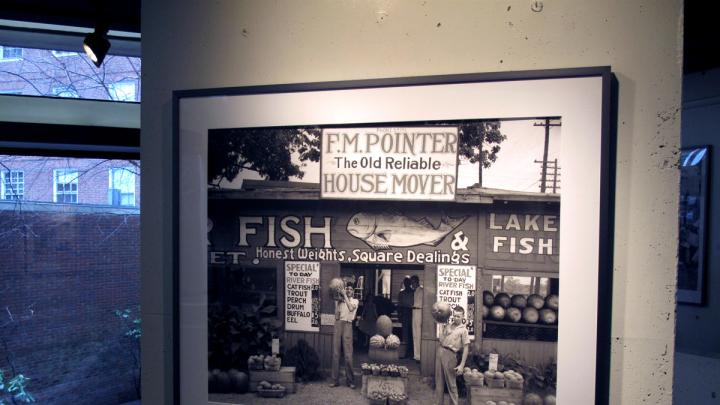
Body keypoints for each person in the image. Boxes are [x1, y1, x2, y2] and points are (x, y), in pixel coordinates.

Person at [435, 306, 469, 405]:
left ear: (463, 316)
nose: (456, 318)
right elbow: (441, 340)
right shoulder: (448, 326)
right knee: (439, 382)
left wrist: (462, 365)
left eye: (458, 316)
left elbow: (466, 348)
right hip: (440, 351)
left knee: (451, 384)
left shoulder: (463, 330)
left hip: (451, 355)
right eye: (454, 316)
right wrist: (441, 326)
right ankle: (438, 403)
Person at [330, 283, 359, 389]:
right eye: (347, 289)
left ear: (353, 291)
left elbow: (351, 309)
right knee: (336, 353)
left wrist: (344, 296)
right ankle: (335, 380)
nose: (349, 290)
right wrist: (337, 302)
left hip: (348, 324)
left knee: (348, 355)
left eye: (351, 289)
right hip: (338, 324)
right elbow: (336, 316)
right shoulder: (341, 301)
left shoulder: (355, 301)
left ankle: (350, 380)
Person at [398, 276, 414, 358]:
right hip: (404, 311)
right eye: (405, 283)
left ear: (410, 283)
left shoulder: (414, 292)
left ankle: (412, 352)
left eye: (408, 283)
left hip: (412, 312)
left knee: (412, 332)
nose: (407, 284)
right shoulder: (401, 293)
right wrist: (399, 315)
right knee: (405, 333)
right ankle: (404, 352)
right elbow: (399, 305)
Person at [410, 275, 423, 361]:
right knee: (414, 333)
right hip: (414, 311)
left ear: (417, 282)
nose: (412, 284)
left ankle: (419, 356)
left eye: (413, 282)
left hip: (419, 311)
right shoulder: (414, 291)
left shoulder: (422, 290)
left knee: (418, 333)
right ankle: (416, 355)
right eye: (411, 282)